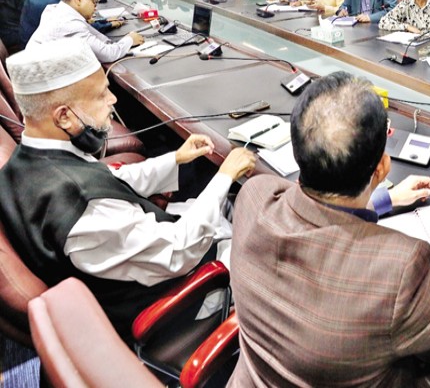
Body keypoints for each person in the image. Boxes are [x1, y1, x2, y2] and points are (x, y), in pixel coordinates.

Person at [229, 72, 430, 387]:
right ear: (382, 168)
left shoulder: (254, 197)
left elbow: (314, 209)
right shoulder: (396, 270)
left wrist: (384, 198)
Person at [0, 38, 256, 337]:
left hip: (140, 259)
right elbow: (178, 251)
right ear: (64, 116)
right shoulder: (86, 211)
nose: (113, 100)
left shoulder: (27, 161)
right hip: (178, 298)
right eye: (100, 95)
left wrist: (175, 158)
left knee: (224, 203)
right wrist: (224, 176)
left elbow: (108, 180)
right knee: (260, 245)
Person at [29, 0, 144, 62]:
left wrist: (114, 43)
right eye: (94, 2)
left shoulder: (55, 10)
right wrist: (129, 40)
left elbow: (96, 35)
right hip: (49, 85)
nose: (95, 7)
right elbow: (107, 55)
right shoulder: (69, 24)